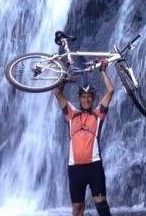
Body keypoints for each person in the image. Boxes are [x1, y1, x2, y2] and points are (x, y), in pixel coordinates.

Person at [54, 59, 115, 216]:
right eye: (83, 96)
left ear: (93, 98)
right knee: (77, 209)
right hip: (74, 169)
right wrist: (64, 71)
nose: (86, 99)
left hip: (94, 166)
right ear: (79, 99)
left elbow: (110, 91)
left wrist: (102, 71)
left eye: (89, 96)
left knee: (101, 205)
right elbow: (57, 93)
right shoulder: (71, 114)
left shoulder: (98, 115)